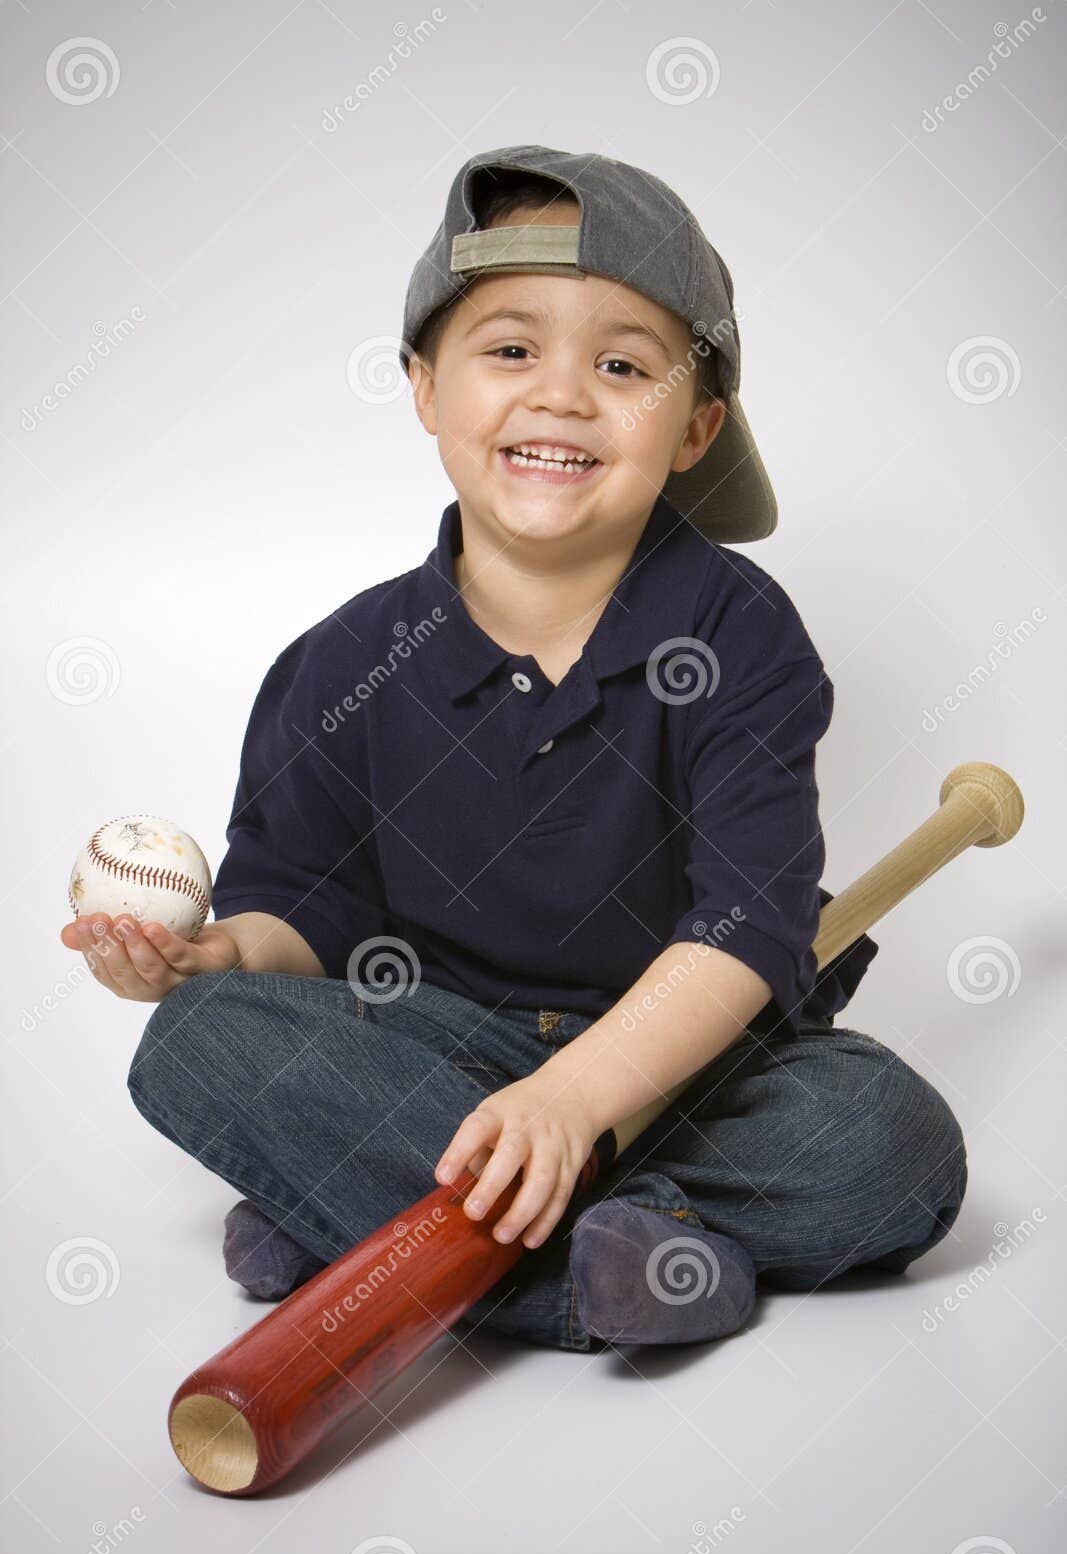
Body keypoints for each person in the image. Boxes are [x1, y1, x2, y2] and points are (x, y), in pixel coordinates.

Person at [60, 146, 967, 1353]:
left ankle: (373, 1231)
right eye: (507, 349)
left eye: (622, 364)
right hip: (437, 1039)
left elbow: (743, 928)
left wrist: (578, 1095)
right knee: (199, 1039)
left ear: (694, 428)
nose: (560, 395)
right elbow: (307, 911)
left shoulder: (738, 635)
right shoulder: (341, 666)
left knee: (889, 1146)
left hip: (675, 1069)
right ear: (425, 386)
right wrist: (222, 951)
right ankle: (626, 1263)